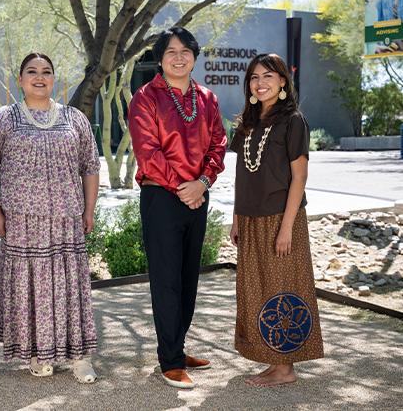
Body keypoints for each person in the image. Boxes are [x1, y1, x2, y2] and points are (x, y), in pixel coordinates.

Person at [0, 53, 100, 383]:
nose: (39, 77)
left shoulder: (75, 120)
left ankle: (79, 356)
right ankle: (35, 353)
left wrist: (89, 210)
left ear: (54, 79)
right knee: (30, 289)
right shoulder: (2, 119)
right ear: (20, 79)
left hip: (66, 220)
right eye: (31, 71)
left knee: (69, 287)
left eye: (46, 71)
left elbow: (90, 167)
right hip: (22, 224)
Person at [128, 27, 227, 389]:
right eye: (171, 51)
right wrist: (182, 188)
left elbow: (218, 142)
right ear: (160, 57)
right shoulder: (145, 97)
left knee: (187, 279)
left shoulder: (207, 98)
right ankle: (169, 361)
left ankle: (177, 347)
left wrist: (202, 183)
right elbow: (148, 152)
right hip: (162, 198)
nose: (179, 56)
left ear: (195, 56)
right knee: (166, 281)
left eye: (186, 50)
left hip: (197, 195)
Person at [229, 53, 324, 387]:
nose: (261, 83)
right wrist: (238, 217)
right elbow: (243, 175)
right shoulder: (247, 123)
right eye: (254, 77)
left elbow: (299, 177)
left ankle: (286, 368)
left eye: (268, 76)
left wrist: (286, 228)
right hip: (251, 220)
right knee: (256, 290)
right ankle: (273, 361)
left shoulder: (293, 120)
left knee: (283, 288)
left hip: (282, 220)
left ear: (283, 81)